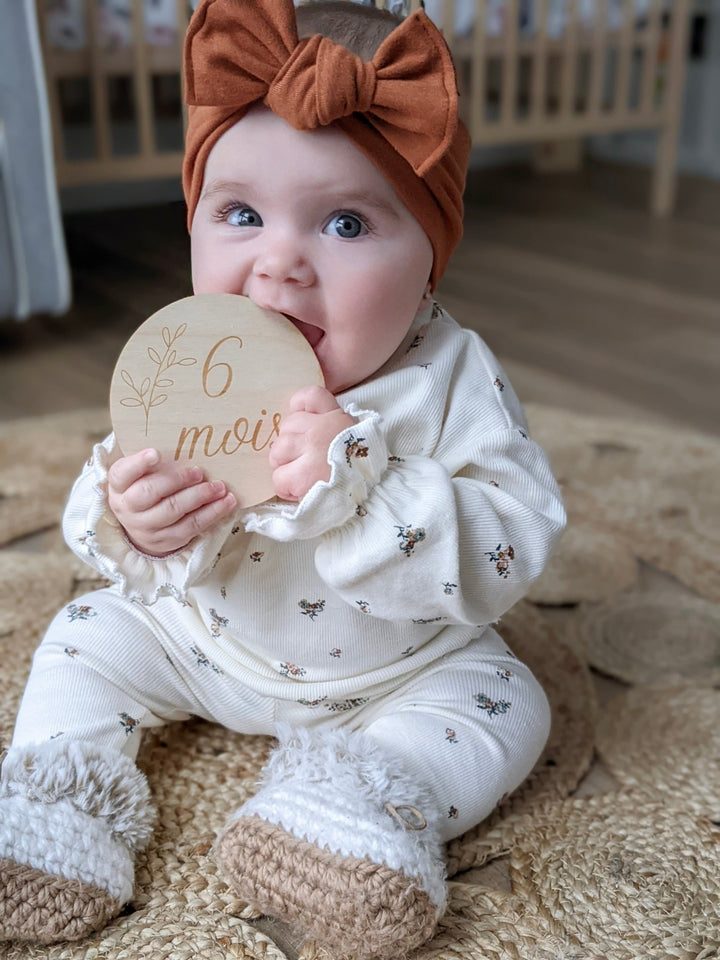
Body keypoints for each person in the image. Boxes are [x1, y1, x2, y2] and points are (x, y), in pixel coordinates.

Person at [0, 0, 566, 955]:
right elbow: (113, 493)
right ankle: (59, 810)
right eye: (240, 214)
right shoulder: (196, 356)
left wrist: (368, 493)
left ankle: (354, 809)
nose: (277, 265)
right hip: (198, 638)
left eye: (345, 221)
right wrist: (134, 518)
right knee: (85, 633)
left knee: (511, 704)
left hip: (398, 667)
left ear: (430, 261)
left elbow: (514, 535)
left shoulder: (451, 376)